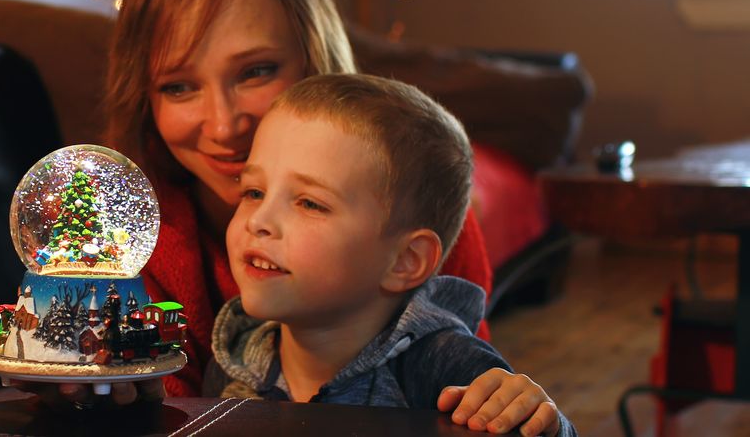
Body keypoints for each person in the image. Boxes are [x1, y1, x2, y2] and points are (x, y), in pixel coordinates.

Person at [99, 0, 494, 401]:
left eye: (256, 71)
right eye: (178, 87)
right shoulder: (127, 239)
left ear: (314, 57)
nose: (223, 126)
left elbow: (473, 394)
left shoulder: (413, 203)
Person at [210, 74, 575, 437]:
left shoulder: (447, 369)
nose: (258, 220)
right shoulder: (232, 357)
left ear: (405, 261)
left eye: (309, 203)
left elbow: (521, 421)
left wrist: (542, 423)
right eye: (254, 192)